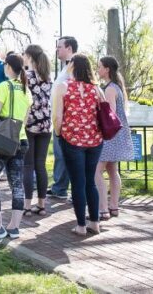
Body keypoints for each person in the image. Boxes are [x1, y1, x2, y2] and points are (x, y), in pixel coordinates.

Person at [52, 53, 104, 236]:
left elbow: (57, 116)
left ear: (72, 65)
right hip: (94, 140)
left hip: (72, 139)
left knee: (77, 182)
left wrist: (58, 133)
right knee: (90, 182)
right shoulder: (96, 89)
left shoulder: (63, 87)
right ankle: (95, 223)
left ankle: (81, 225)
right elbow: (104, 113)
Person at [0, 52, 30, 242]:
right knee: (17, 184)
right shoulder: (26, 89)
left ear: (8, 67)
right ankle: (14, 227)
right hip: (21, 141)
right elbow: (25, 120)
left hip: (2, 141)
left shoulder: (4, 86)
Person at [95, 56, 134, 219]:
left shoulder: (110, 89)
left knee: (97, 172)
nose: (97, 69)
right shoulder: (116, 87)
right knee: (112, 170)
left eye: (99, 67)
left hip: (109, 135)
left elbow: (109, 114)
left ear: (107, 69)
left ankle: (103, 208)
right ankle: (114, 206)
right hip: (117, 134)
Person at [22, 44, 52, 217]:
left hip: (30, 124)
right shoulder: (48, 77)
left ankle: (27, 205)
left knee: (28, 165)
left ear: (30, 57)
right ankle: (41, 205)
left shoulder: (26, 76)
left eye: (25, 55)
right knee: (41, 165)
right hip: (46, 125)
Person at [48, 35, 78, 200]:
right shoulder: (65, 66)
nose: (57, 50)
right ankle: (59, 187)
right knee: (60, 154)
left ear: (69, 48)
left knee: (68, 155)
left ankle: (70, 190)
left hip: (67, 118)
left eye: (59, 47)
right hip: (60, 116)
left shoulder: (74, 66)